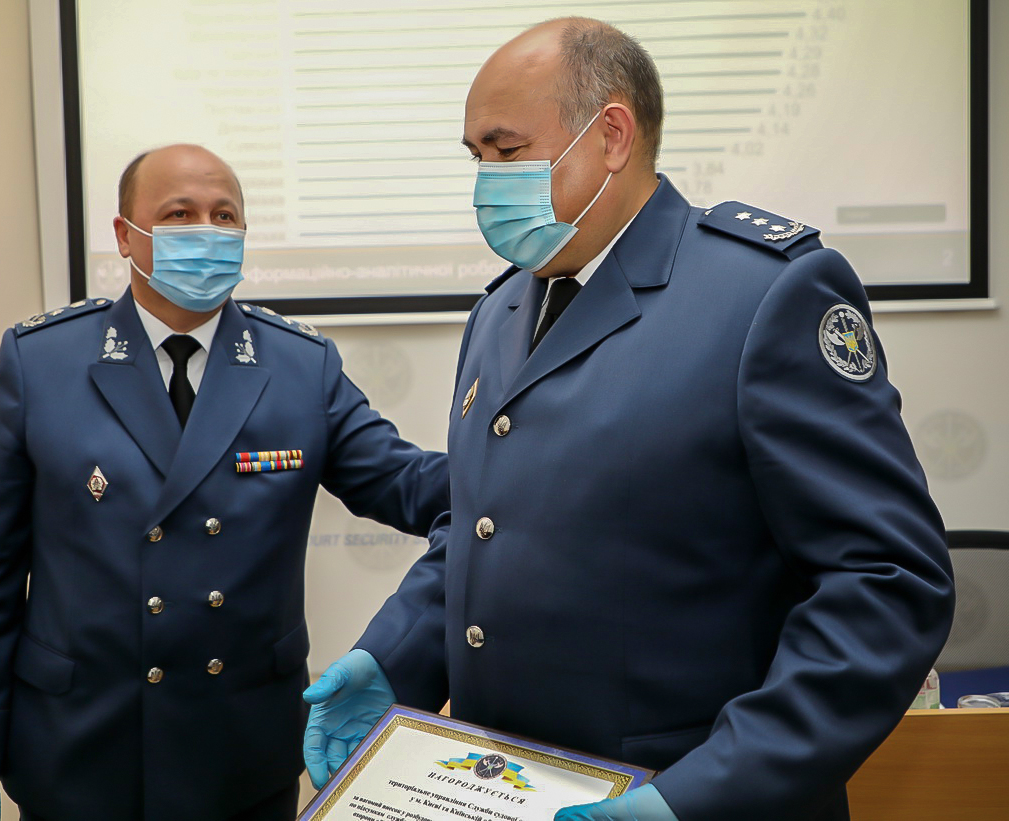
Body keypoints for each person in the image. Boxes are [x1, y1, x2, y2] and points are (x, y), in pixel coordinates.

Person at [303, 18, 954, 821]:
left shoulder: (763, 294)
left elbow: (886, 582)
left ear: (612, 135)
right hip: (502, 787)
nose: (485, 185)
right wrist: (393, 657)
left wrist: (698, 795)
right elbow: (484, 526)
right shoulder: (503, 309)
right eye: (476, 158)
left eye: (507, 152)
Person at [0, 143, 449, 821]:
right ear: (125, 235)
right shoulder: (42, 363)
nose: (207, 231)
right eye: (179, 214)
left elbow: (406, 482)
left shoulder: (300, 366)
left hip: (240, 753)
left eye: (224, 216)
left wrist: (521, 463)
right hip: (79, 751)